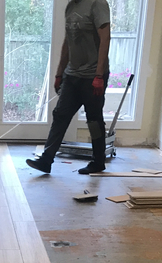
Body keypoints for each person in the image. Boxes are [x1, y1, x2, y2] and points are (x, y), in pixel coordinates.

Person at [27, 0, 111, 176]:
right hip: (72, 74)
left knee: (94, 120)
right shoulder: (71, 6)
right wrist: (59, 73)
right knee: (60, 115)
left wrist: (99, 75)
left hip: (92, 76)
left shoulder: (97, 4)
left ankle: (98, 161)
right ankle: (46, 160)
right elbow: (68, 41)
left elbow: (105, 39)